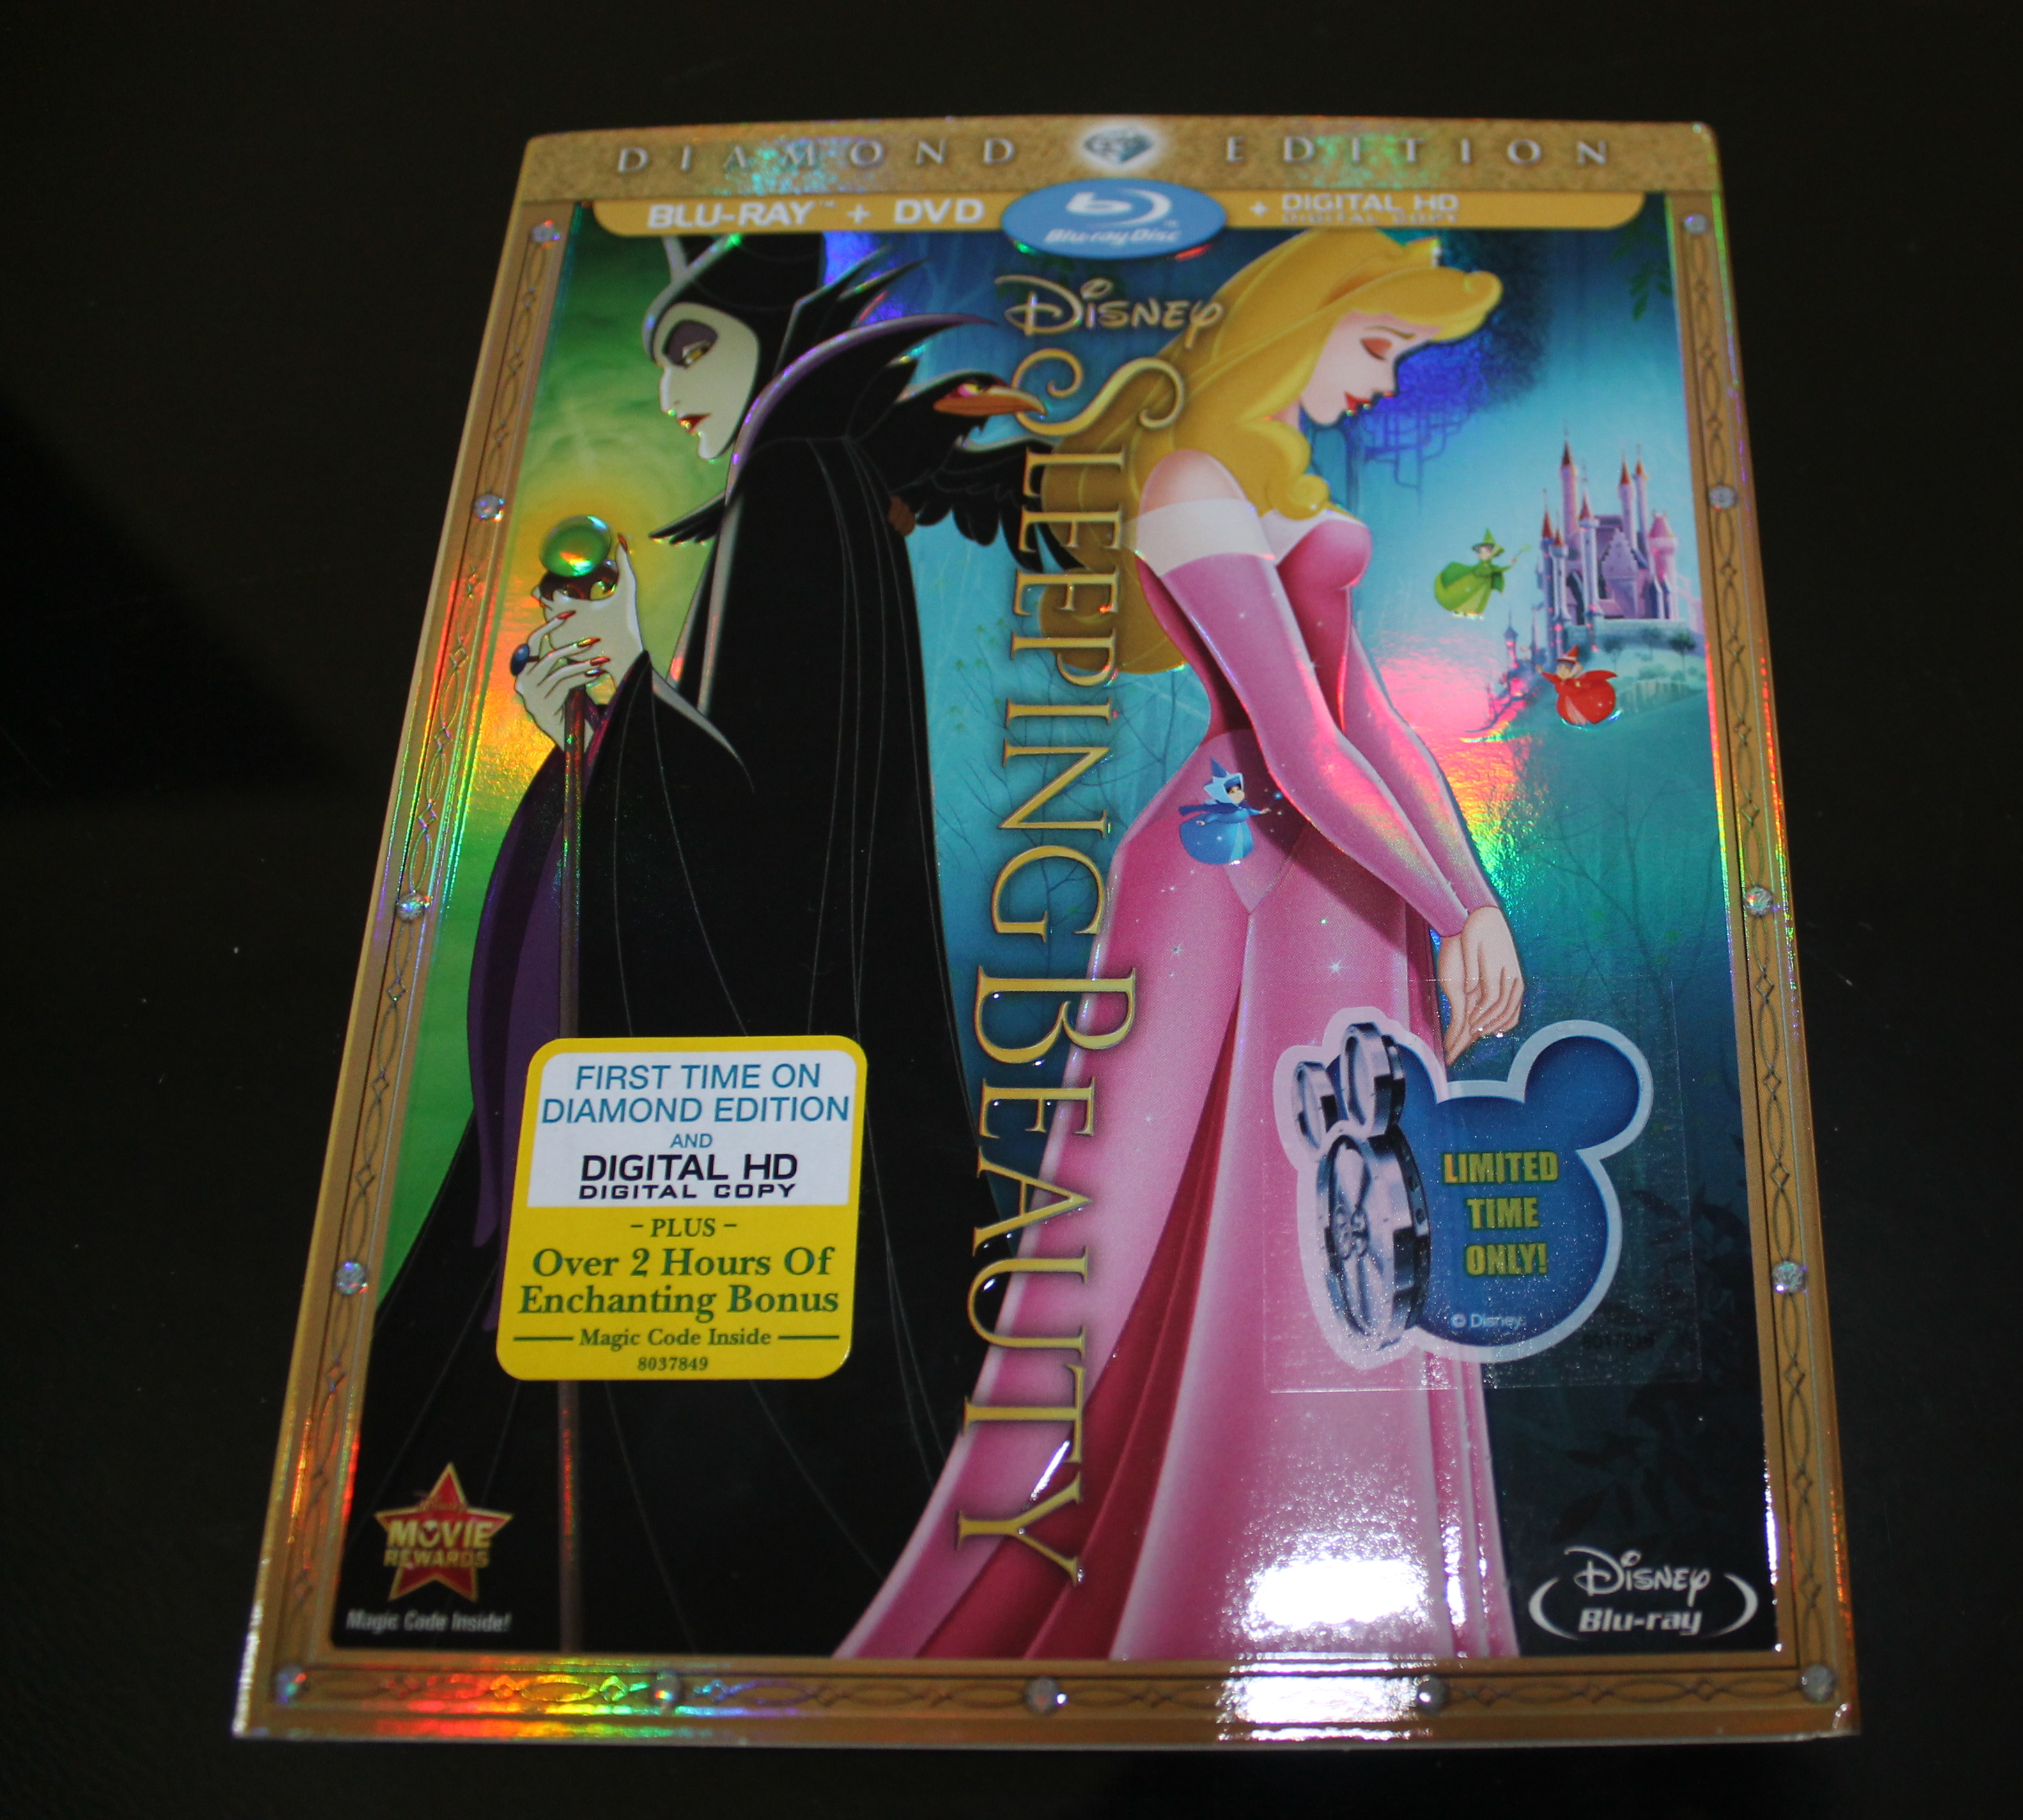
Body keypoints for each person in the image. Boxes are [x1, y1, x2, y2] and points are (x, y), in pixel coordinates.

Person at [337, 232, 1048, 1654]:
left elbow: (766, 839)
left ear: (773, 338)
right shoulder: (809, 484)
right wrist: (618, 708)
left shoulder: (794, 484)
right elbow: (781, 817)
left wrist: (619, 699)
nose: (670, 390)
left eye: (693, 346)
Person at [842, 230, 1530, 1662]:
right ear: (1302, 317)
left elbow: (1370, 724)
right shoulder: (1190, 485)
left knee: (1347, 1205)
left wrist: (1475, 898)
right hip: (1233, 873)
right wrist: (1453, 906)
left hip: (1338, 870)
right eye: (1380, 343)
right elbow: (1296, 741)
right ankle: (1188, 1573)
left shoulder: (1277, 483)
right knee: (1177, 1217)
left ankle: (1349, 1571)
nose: (1384, 381)